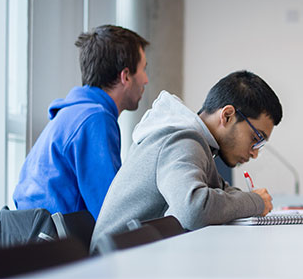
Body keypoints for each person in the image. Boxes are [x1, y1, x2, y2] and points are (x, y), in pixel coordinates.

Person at [90, 70, 282, 250]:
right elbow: (193, 209)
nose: (254, 153)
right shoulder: (181, 139)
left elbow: (219, 189)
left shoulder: (199, 144)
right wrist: (255, 201)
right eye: (255, 138)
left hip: (135, 257)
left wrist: (249, 200)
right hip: (114, 267)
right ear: (227, 115)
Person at [13, 25, 149, 220]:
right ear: (125, 76)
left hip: (35, 239)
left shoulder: (73, 113)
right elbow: (112, 214)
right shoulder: (94, 119)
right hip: (58, 245)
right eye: (144, 69)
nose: (146, 80)